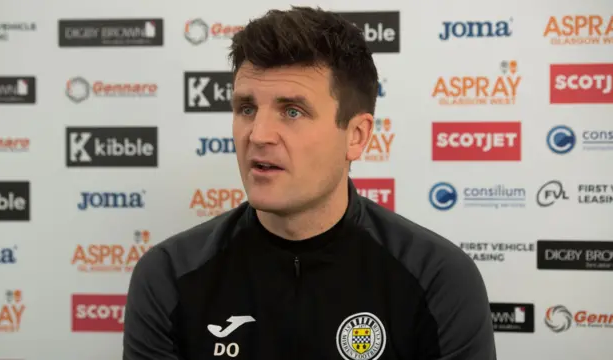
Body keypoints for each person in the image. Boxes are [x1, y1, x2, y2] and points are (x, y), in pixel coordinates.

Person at [123, 6, 496, 360]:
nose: (259, 135)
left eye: (292, 111)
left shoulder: (437, 279)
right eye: (247, 108)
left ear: (357, 136)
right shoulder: (169, 276)